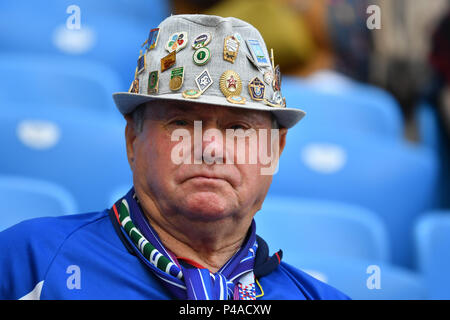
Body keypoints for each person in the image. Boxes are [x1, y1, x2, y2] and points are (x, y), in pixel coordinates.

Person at [0, 14, 350, 300]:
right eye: (181, 121)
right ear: (133, 140)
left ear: (275, 150)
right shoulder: (29, 261)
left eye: (239, 128)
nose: (211, 148)